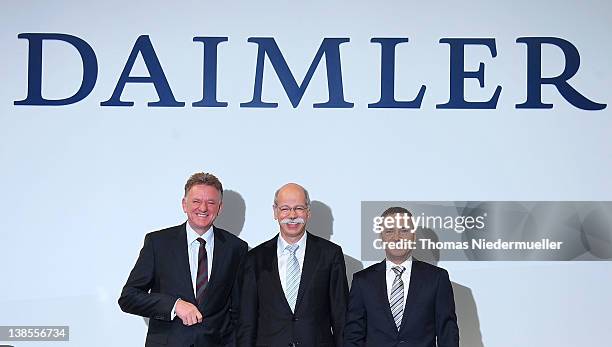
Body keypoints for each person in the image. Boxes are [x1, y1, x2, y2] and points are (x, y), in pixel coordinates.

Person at [119, 172, 249, 347]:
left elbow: (239, 310)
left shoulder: (236, 248)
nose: (203, 208)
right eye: (196, 201)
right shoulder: (158, 243)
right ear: (184, 205)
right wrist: (174, 305)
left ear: (220, 207)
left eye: (211, 202)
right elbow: (129, 297)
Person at [237, 183, 349, 347]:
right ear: (275, 212)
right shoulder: (254, 259)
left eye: (299, 208)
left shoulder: (330, 255)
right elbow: (247, 321)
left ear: (308, 212)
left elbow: (341, 316)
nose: (292, 215)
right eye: (285, 209)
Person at [344, 207, 459, 347]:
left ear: (414, 236)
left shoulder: (437, 278)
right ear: (381, 237)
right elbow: (353, 335)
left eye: (404, 231)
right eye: (389, 231)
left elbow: (447, 333)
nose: (397, 237)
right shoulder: (362, 281)